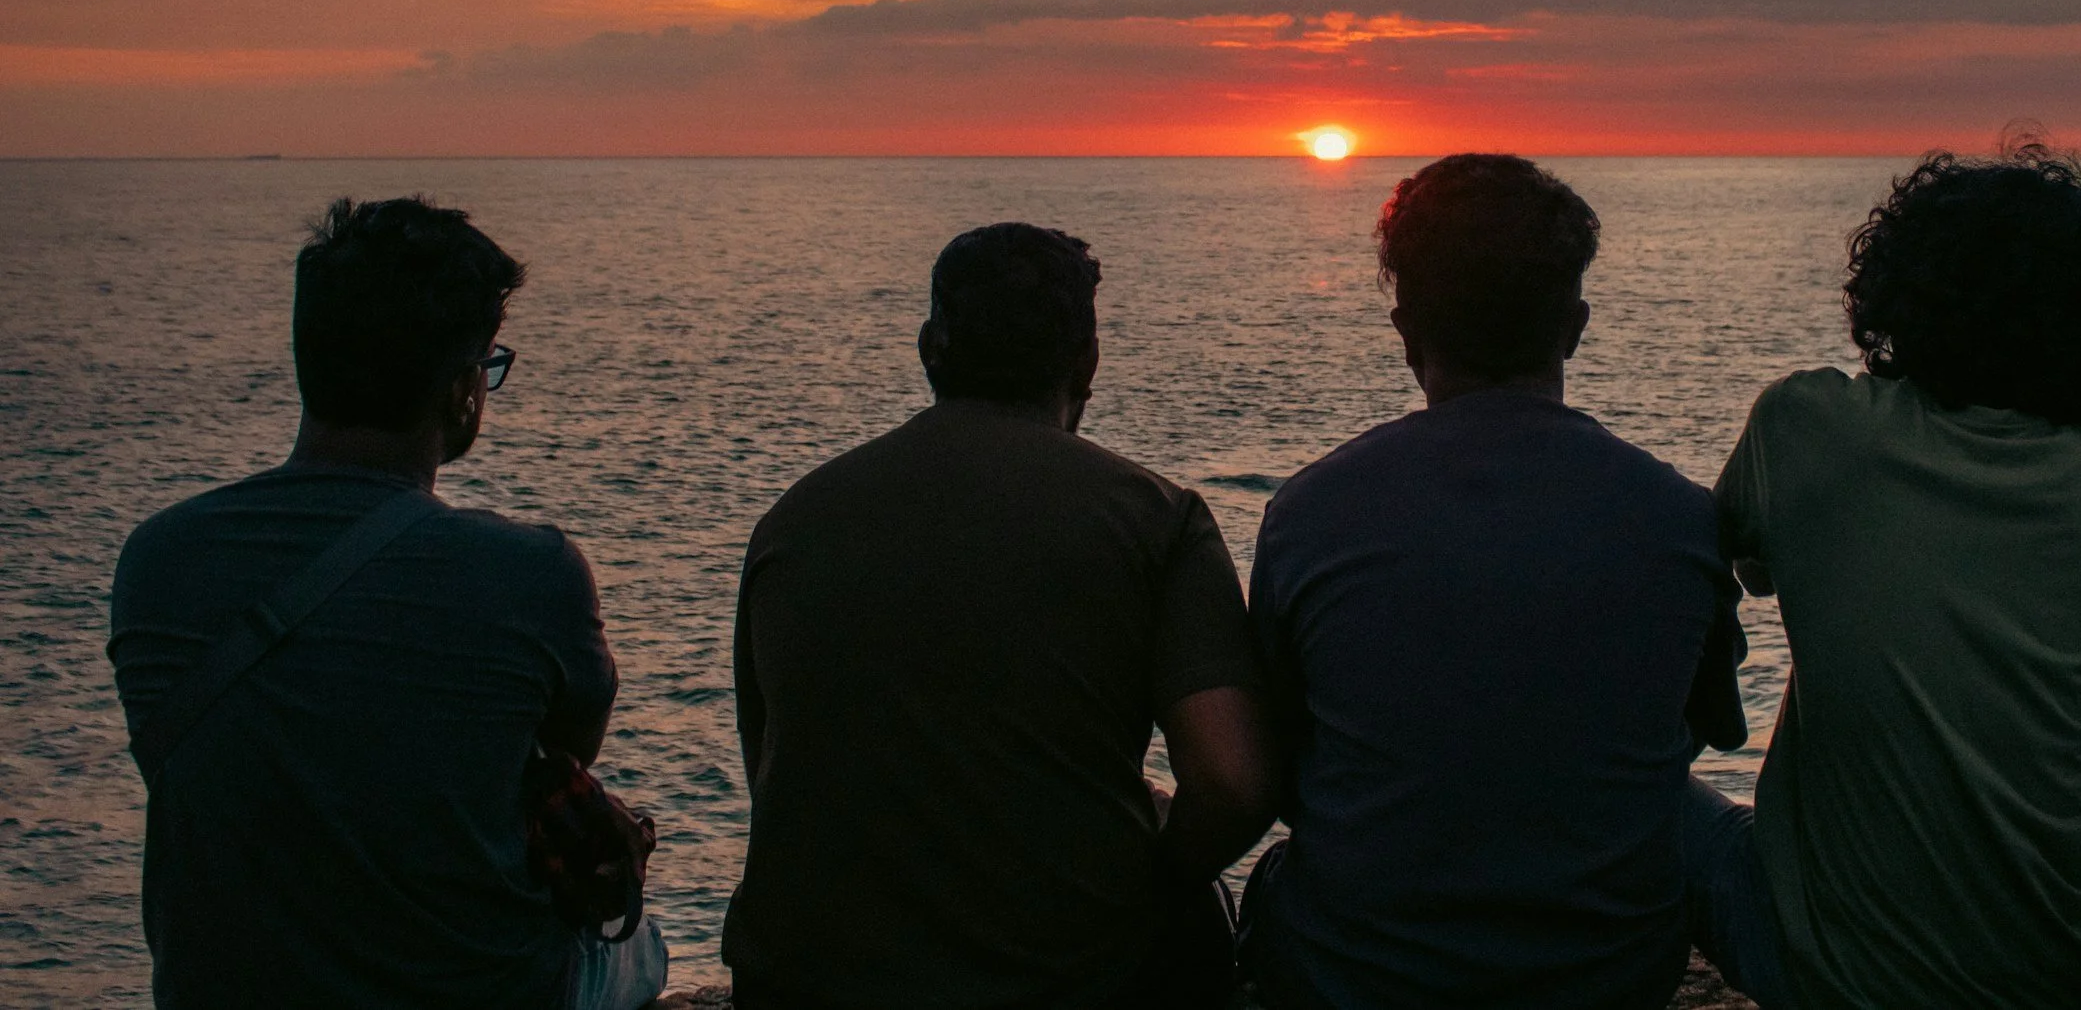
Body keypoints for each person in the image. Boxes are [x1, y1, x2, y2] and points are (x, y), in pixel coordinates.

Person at [108, 197, 664, 1010]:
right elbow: (560, 754)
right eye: (488, 363)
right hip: (476, 989)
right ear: (457, 389)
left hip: (224, 989)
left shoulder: (156, 559)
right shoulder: (530, 571)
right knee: (642, 950)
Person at [725, 222, 1277, 1010]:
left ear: (929, 348)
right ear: (1087, 361)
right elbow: (1231, 783)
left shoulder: (794, 521)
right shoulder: (1157, 518)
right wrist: (1148, 874)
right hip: (1065, 980)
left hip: (801, 980)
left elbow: (776, 775)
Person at [1241, 153, 1747, 1010]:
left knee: (1271, 882)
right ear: (1575, 325)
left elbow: (1279, 765)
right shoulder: (1677, 516)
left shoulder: (1311, 514)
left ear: (1406, 329)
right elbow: (1712, 728)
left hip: (1357, 978)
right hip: (1607, 975)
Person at [1710, 145, 2081, 1010]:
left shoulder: (1810, 426)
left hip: (1850, 979)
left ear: (1898, 291)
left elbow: (1744, 565)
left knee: (1654, 803)